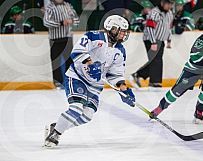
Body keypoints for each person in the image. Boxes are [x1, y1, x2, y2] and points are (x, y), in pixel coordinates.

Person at [44, 15, 136, 147]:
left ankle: (58, 126)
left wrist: (123, 89)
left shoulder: (120, 50)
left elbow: (115, 74)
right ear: (111, 29)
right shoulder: (93, 36)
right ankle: (56, 134)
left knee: (87, 116)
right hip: (77, 77)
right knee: (76, 109)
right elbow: (77, 51)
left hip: (95, 85)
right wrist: (90, 63)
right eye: (120, 31)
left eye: (124, 32)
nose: (123, 34)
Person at [131, 0, 174, 88]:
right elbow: (150, 28)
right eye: (168, 4)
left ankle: (138, 74)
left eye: (171, 4)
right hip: (150, 39)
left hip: (160, 40)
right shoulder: (154, 13)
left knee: (156, 60)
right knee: (156, 60)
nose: (170, 6)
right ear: (162, 3)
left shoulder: (169, 13)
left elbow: (168, 27)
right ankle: (155, 82)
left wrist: (169, 39)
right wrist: (153, 42)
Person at [43, 0, 79, 89]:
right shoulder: (50, 8)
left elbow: (77, 19)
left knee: (69, 61)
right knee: (56, 62)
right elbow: (46, 22)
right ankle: (58, 82)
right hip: (55, 39)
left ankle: (70, 80)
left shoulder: (68, 6)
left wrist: (71, 20)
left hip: (68, 38)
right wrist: (61, 23)